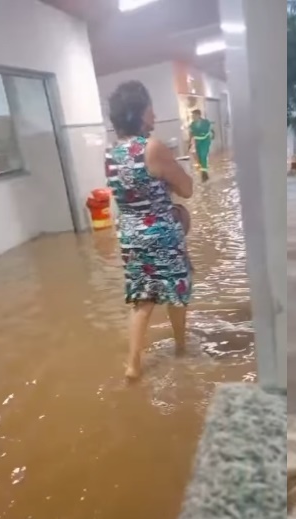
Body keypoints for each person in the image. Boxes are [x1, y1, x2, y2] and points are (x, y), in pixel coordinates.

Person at [105, 80, 195, 380]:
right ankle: (182, 348)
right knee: (176, 292)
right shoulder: (152, 148)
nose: (154, 115)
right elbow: (188, 188)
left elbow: (130, 193)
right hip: (162, 233)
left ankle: (133, 364)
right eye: (150, 109)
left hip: (130, 235)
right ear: (139, 113)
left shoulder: (111, 154)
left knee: (142, 301)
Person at [188, 109, 214, 182]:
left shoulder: (206, 122)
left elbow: (211, 129)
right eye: (192, 115)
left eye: (194, 115)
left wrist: (213, 134)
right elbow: (191, 134)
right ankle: (204, 171)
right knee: (199, 157)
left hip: (205, 141)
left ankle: (204, 174)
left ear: (198, 115)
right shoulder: (192, 124)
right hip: (198, 142)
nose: (193, 117)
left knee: (203, 155)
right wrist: (189, 143)